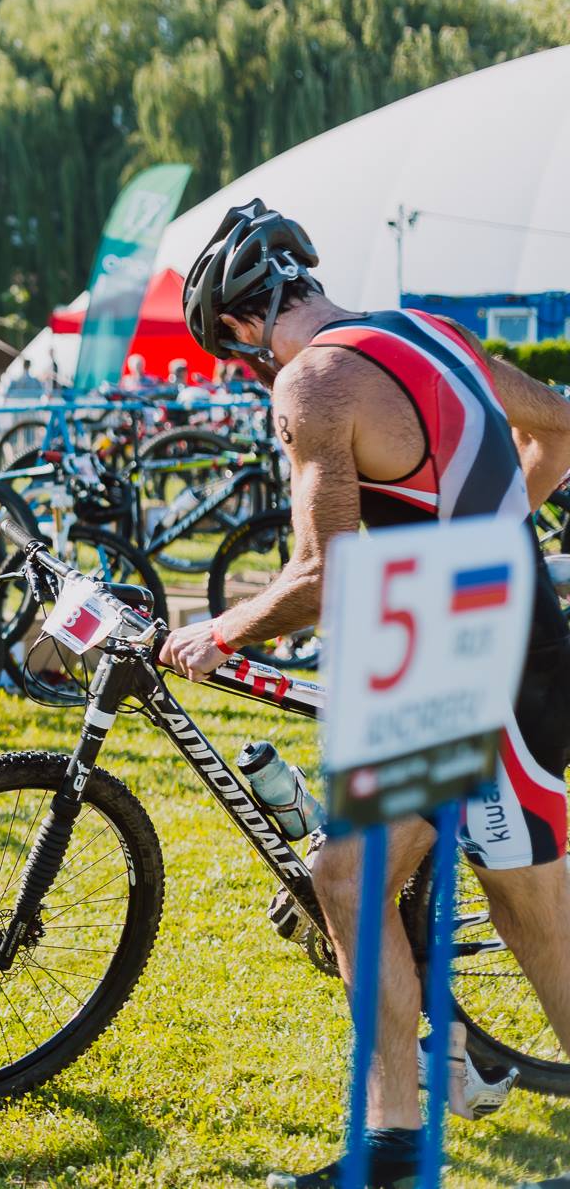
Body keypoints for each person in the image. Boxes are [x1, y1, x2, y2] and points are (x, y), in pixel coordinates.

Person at [157, 200, 570, 1188]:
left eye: (231, 349)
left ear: (241, 326)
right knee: (344, 876)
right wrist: (493, 517)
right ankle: (390, 1144)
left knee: (531, 907)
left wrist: (215, 631)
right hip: (438, 633)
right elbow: (556, 428)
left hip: (491, 646)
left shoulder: (310, 382)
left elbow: (321, 572)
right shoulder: (428, 331)